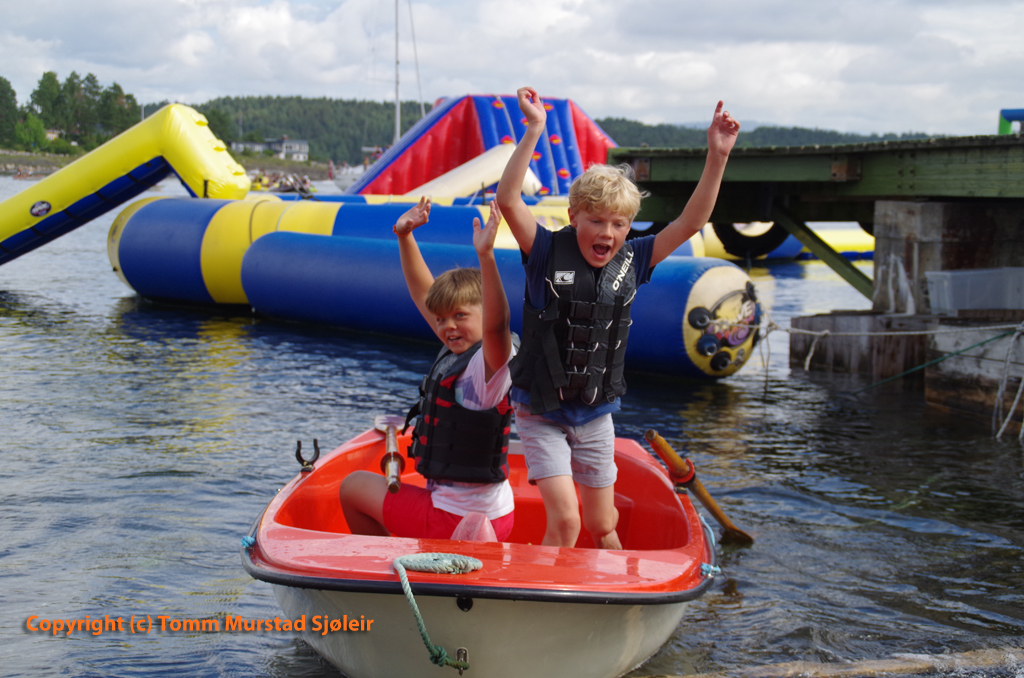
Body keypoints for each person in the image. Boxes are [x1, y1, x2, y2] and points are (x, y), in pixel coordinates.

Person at [496, 86, 739, 549]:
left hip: (594, 412)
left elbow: (691, 222)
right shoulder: (544, 249)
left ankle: (618, 584)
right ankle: (543, 590)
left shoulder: (636, 258)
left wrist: (718, 156)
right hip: (541, 409)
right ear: (573, 216)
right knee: (566, 522)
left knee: (602, 524)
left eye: (618, 223)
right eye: (596, 220)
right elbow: (509, 201)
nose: (607, 232)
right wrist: (534, 129)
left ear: (628, 226)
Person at [338, 197, 517, 540]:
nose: (448, 326)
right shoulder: (460, 348)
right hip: (496, 514)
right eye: (441, 319)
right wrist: (405, 236)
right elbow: (424, 293)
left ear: (486, 313)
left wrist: (487, 256)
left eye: (460, 315)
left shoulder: (487, 367)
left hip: (454, 519)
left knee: (353, 486)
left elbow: (497, 326)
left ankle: (382, 561)